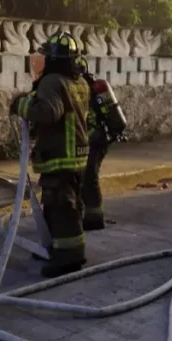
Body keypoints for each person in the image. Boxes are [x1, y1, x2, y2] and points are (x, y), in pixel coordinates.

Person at [11, 32, 91, 277]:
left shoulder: (52, 81)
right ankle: (56, 247)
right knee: (62, 205)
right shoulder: (79, 82)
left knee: (61, 206)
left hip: (60, 156)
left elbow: (47, 112)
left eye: (46, 56)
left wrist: (20, 105)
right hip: (77, 154)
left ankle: (70, 257)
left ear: (54, 59)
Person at [77, 57, 111, 231]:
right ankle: (88, 215)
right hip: (98, 139)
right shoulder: (88, 87)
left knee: (89, 178)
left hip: (94, 140)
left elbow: (88, 121)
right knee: (86, 178)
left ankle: (95, 219)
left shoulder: (84, 91)